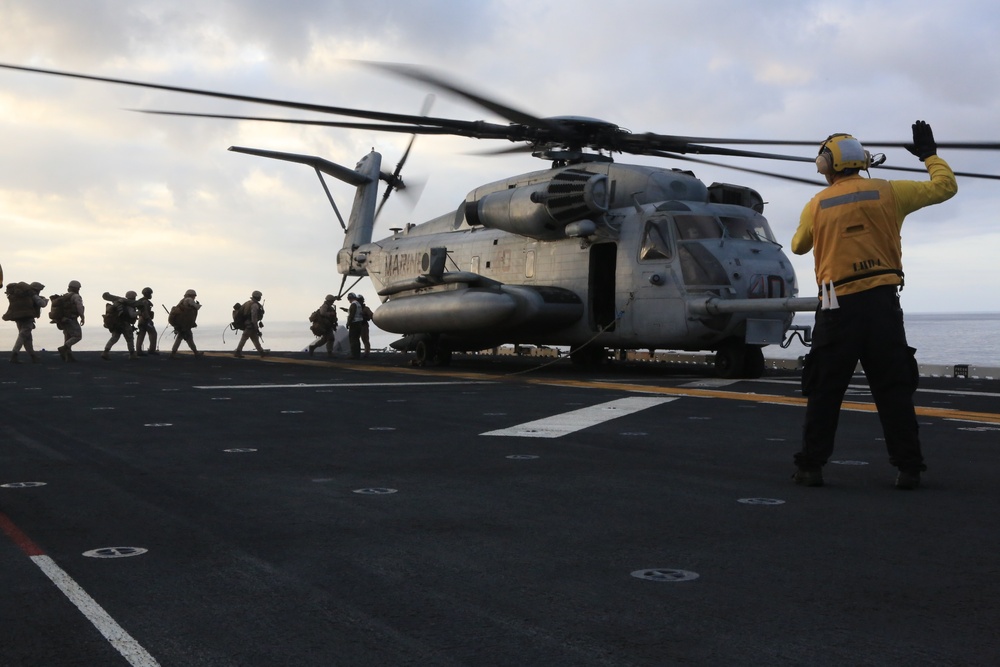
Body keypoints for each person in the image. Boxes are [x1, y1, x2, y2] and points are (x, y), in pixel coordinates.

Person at [790, 121, 958, 490]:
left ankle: (811, 467)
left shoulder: (816, 205)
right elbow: (946, 187)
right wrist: (930, 156)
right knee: (893, 389)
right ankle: (909, 468)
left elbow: (798, 246)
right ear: (863, 160)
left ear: (825, 165)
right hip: (882, 306)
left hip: (836, 308)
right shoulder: (890, 191)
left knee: (825, 390)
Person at [6, 281, 48, 363]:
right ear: (36, 289)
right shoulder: (32, 294)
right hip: (28, 318)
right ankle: (14, 354)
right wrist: (45, 300)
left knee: (27, 338)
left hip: (18, 317)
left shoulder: (21, 295)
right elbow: (42, 304)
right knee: (23, 336)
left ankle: (33, 356)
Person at [101, 291, 138, 360]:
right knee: (130, 339)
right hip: (125, 324)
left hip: (117, 323)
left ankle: (105, 352)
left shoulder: (118, 302)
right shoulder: (129, 305)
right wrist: (139, 312)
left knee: (114, 338)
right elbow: (132, 315)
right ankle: (132, 354)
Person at [54, 280, 85, 362]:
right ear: (77, 288)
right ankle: (64, 348)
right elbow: (79, 307)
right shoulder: (76, 296)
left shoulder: (65, 296)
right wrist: (82, 316)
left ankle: (68, 356)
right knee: (77, 336)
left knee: (68, 337)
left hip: (63, 319)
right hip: (71, 319)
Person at [169, 289, 202, 359]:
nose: (194, 297)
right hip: (184, 325)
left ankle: (174, 353)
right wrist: (198, 304)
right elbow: (196, 307)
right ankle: (196, 353)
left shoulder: (182, 301)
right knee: (186, 339)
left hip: (181, 324)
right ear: (191, 295)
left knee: (184, 339)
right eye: (194, 296)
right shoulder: (189, 300)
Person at [234, 290, 266, 358]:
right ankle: (238, 352)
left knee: (255, 339)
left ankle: (261, 352)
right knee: (244, 338)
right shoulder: (254, 305)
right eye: (259, 296)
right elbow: (254, 317)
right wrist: (256, 327)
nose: (260, 298)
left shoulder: (248, 303)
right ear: (257, 297)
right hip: (250, 325)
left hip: (248, 323)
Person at [135, 287, 158, 355]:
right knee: (153, 334)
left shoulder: (141, 301)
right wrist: (149, 319)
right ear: (147, 294)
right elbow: (145, 311)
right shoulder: (145, 302)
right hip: (145, 320)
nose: (151, 295)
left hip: (141, 320)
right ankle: (152, 350)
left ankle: (138, 350)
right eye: (150, 294)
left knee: (141, 334)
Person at [344, 292, 365, 360]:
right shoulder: (358, 304)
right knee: (357, 339)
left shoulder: (353, 304)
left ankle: (354, 355)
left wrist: (348, 323)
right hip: (359, 323)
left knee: (353, 339)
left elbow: (352, 315)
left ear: (350, 298)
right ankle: (357, 354)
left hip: (354, 324)